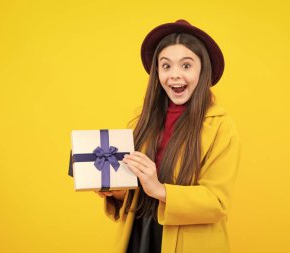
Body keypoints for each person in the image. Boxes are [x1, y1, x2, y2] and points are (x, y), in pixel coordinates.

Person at [96, 19, 241, 253]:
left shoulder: (221, 127)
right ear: (157, 72)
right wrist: (116, 191)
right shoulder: (141, 122)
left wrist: (160, 189)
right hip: (140, 236)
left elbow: (217, 203)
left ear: (202, 71)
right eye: (166, 66)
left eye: (186, 66)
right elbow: (137, 191)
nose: (174, 75)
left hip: (190, 243)